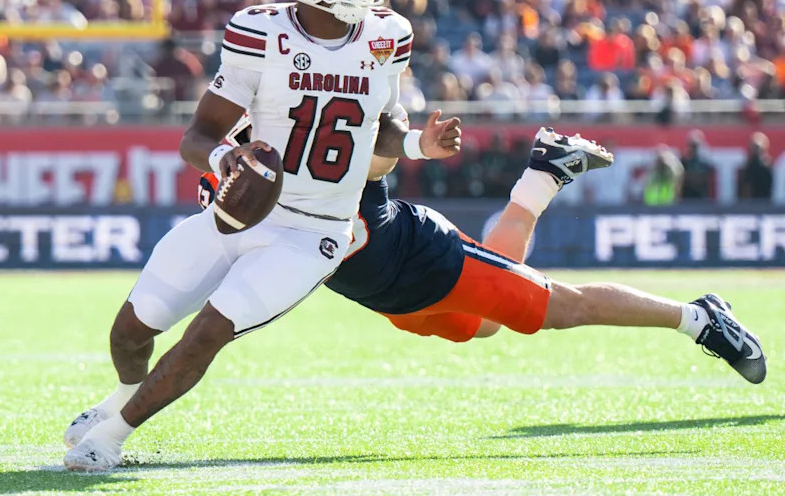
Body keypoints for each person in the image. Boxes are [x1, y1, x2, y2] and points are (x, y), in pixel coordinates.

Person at [61, 0, 462, 472]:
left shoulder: (387, 35)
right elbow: (197, 137)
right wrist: (231, 158)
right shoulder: (260, 32)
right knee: (130, 332)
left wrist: (420, 144)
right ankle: (121, 398)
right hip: (241, 214)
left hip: (315, 233)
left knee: (207, 332)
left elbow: (382, 122)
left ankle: (116, 437)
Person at [201, 120, 766, 386]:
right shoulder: (252, 189)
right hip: (390, 298)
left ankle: (699, 319)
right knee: (488, 328)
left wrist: (413, 143)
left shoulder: (330, 150)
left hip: (428, 260)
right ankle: (544, 173)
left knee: (562, 309)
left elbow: (377, 155)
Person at [738, 132, 774, 200]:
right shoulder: (750, 165)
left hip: (766, 202)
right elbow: (746, 186)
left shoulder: (768, 165)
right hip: (753, 203)